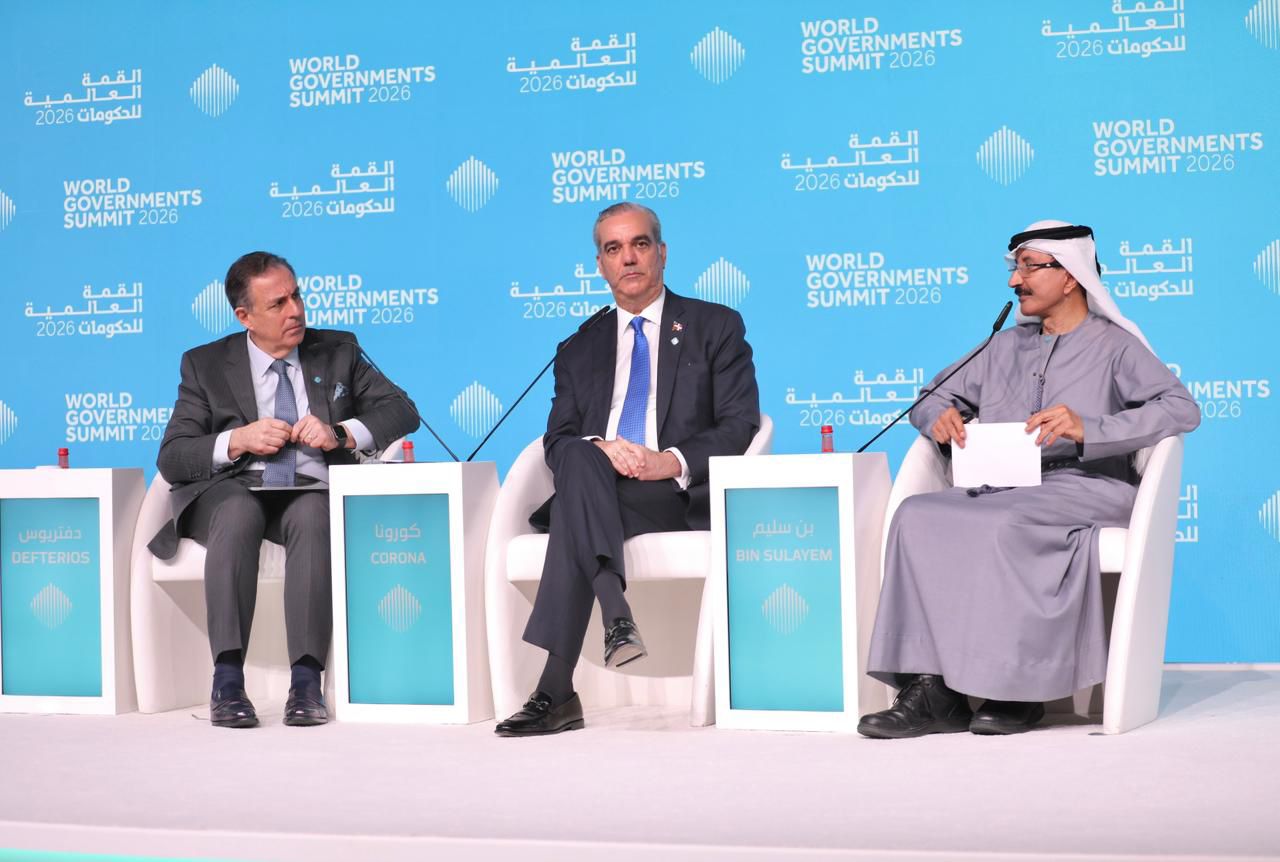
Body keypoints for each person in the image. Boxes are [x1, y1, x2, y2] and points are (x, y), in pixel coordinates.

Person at [857, 221, 1201, 739]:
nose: (1014, 281)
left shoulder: (1115, 347)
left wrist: (1091, 427)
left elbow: (1181, 408)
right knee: (916, 514)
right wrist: (938, 418)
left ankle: (1018, 690)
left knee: (1007, 523)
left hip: (1087, 486)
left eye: (1028, 268)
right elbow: (930, 397)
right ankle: (932, 689)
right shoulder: (1002, 347)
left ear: (1070, 275)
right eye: (1014, 268)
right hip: (1003, 487)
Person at [495, 202, 761, 736]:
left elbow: (739, 423)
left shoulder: (714, 326)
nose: (629, 258)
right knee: (579, 455)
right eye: (613, 249)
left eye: (639, 244)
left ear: (661, 253)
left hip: (672, 494)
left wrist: (667, 461)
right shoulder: (578, 347)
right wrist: (602, 448)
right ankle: (614, 615)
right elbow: (558, 441)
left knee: (573, 507)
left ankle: (557, 688)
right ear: (600, 265)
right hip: (599, 485)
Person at [149, 251, 419, 728]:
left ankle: (307, 683)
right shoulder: (205, 364)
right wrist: (237, 440)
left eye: (296, 296)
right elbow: (172, 456)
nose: (295, 310)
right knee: (238, 514)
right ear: (245, 316)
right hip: (232, 488)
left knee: (313, 516)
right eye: (278, 304)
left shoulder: (338, 351)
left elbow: (402, 411)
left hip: (309, 488)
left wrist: (339, 433)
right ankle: (227, 682)